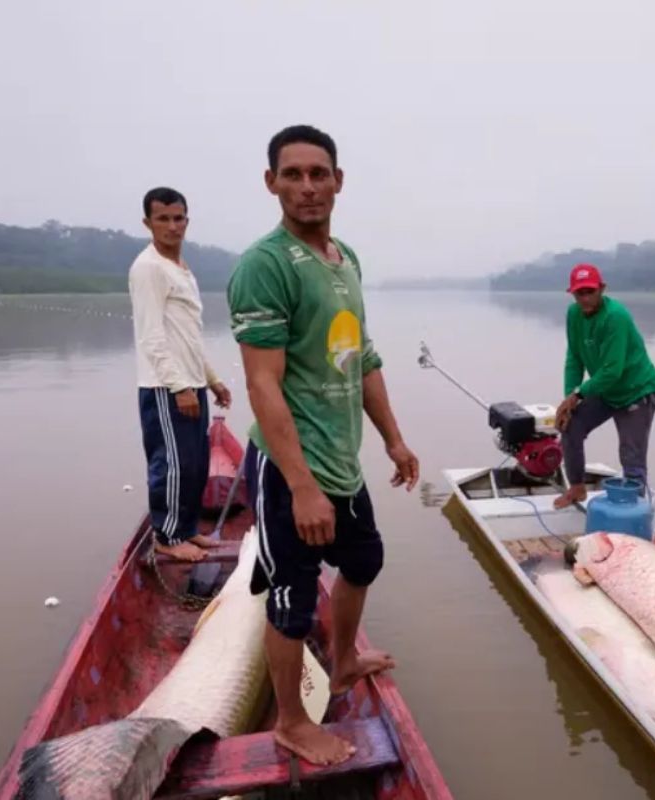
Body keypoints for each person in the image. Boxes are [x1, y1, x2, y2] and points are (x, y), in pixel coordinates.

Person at [227, 125, 420, 767]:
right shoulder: (266, 266)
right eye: (293, 174)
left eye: (319, 173)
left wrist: (393, 440)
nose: (307, 186)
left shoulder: (346, 260)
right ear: (271, 182)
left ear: (339, 180)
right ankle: (289, 723)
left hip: (342, 463)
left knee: (363, 559)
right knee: (290, 599)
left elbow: (360, 356)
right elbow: (262, 383)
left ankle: (339, 665)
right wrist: (302, 485)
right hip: (291, 469)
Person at [130, 186, 232, 563]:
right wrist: (178, 388)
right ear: (148, 223)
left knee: (196, 462)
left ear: (187, 220)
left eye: (179, 218)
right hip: (164, 387)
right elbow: (152, 337)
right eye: (163, 219)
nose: (173, 226)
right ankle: (167, 536)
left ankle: (187, 528)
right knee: (172, 464)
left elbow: (189, 336)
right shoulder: (148, 268)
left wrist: (212, 380)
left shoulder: (181, 269)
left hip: (190, 384)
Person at [553, 264, 655, 509]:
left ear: (602, 289)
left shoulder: (616, 317)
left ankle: (635, 509)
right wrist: (570, 396)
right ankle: (577, 487)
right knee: (570, 425)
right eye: (580, 293)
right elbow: (574, 357)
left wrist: (580, 393)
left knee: (631, 455)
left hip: (637, 390)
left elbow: (613, 370)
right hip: (605, 390)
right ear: (572, 294)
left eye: (590, 291)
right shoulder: (573, 315)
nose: (585, 298)